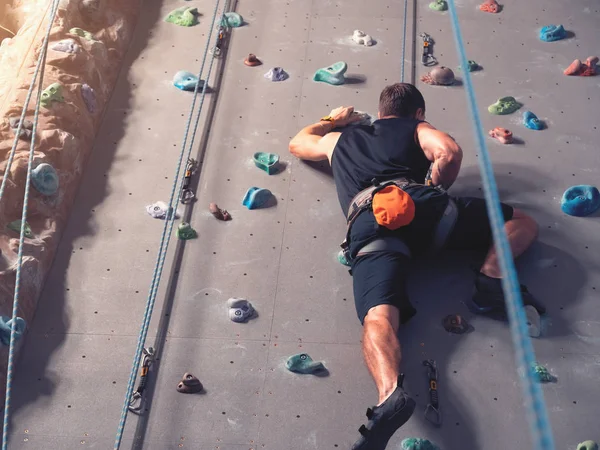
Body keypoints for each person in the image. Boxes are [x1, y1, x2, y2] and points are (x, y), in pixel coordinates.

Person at [288, 83, 546, 450]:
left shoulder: (338, 140)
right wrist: (437, 183)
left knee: (378, 317)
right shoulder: (416, 129)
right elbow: (450, 153)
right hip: (422, 208)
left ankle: (389, 395)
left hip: (371, 221)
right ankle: (491, 280)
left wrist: (333, 120)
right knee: (520, 222)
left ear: (379, 112)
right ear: (419, 113)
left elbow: (298, 143)